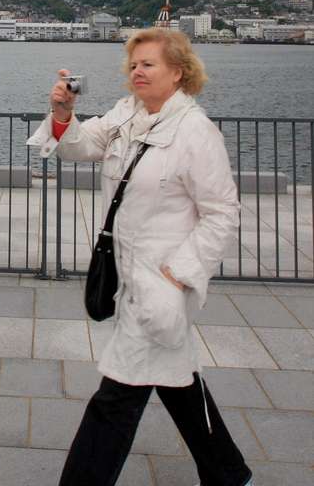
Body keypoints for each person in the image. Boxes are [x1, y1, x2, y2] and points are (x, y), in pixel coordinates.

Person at [27, 28, 251, 486]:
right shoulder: (127, 114)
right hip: (129, 277)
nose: (137, 72)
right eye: (133, 65)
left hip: (162, 285)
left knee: (116, 400)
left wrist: (179, 275)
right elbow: (81, 146)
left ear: (178, 73)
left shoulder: (195, 131)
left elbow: (222, 212)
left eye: (148, 64)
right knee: (178, 381)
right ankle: (227, 472)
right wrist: (63, 111)